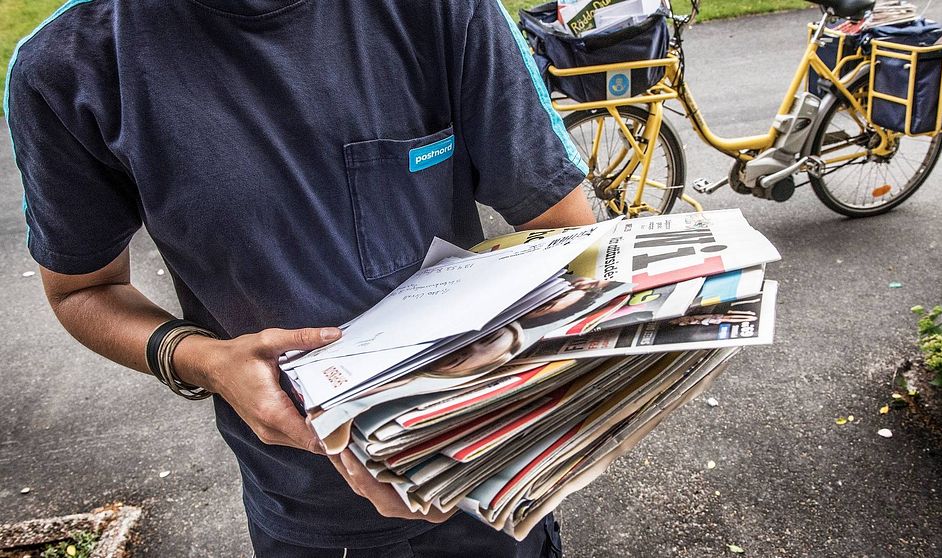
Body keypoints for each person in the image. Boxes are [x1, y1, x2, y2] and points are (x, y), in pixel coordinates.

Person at [4, 1, 595, 556]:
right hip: (305, 512)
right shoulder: (70, 67)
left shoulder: (439, 9)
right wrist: (203, 360)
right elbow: (82, 289)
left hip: (492, 472)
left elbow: (563, 233)